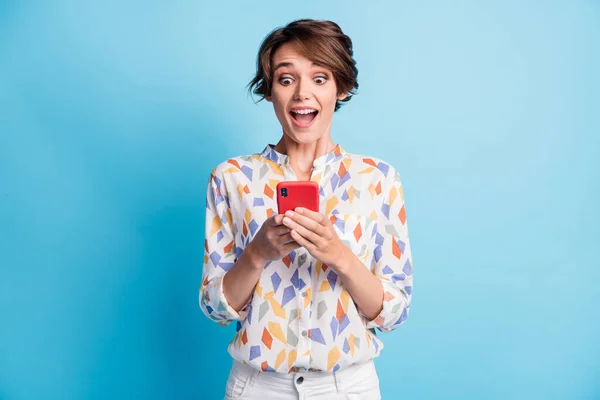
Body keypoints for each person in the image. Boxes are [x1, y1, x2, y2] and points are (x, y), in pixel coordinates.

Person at [200, 19, 413, 400]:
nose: (302, 94)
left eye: (319, 78)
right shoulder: (231, 178)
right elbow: (216, 309)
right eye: (286, 79)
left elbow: (393, 312)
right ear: (269, 91)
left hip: (348, 388)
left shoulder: (378, 179)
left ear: (341, 88)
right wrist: (257, 254)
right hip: (257, 388)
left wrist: (340, 257)